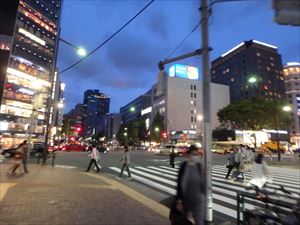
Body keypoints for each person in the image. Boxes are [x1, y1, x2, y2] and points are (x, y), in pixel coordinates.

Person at [175, 145, 204, 225]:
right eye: (193, 154)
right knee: (185, 221)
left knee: (199, 222)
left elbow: (201, 183)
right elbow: (179, 183)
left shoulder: (198, 166)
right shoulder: (184, 166)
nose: (195, 156)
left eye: (197, 154)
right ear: (189, 155)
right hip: (185, 200)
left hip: (197, 200)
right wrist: (179, 200)